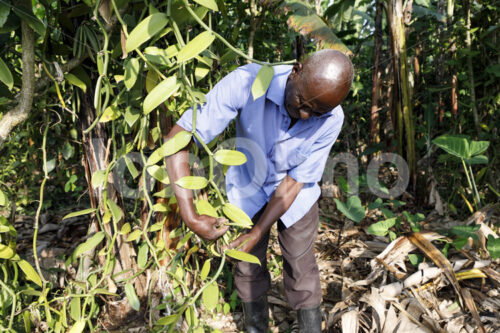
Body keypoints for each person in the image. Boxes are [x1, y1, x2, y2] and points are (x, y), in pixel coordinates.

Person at [165, 49, 353, 332]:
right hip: (247, 187)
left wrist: (258, 231)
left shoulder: (332, 119)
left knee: (301, 267)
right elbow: (178, 138)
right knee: (247, 267)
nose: (304, 116)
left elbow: (294, 182)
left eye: (315, 113)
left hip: (296, 196)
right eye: (301, 101)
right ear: (296, 70)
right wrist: (190, 216)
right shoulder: (246, 82)